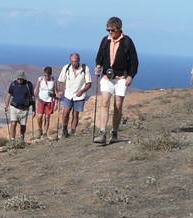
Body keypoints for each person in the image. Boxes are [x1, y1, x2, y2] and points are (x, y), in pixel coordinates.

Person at [94, 16, 139, 145]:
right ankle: (102, 133)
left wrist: (131, 76)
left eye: (112, 30)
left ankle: (114, 132)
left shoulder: (127, 42)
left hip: (121, 79)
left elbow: (134, 61)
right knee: (105, 103)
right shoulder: (105, 41)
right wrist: (98, 65)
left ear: (119, 29)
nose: (110, 32)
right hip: (107, 78)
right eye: (108, 30)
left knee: (118, 106)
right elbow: (99, 57)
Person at [56, 53, 92, 138]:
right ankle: (64, 130)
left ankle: (72, 132)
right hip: (68, 94)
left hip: (79, 96)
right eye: (72, 61)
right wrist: (60, 91)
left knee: (75, 114)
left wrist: (82, 91)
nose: (73, 63)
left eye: (75, 61)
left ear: (79, 60)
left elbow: (89, 83)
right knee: (65, 113)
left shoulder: (84, 68)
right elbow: (61, 81)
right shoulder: (66, 68)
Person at [4, 70, 35, 144]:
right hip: (14, 107)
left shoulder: (28, 85)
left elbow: (33, 97)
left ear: (24, 78)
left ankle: (21, 137)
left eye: (21, 78)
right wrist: (6, 105)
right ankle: (12, 140)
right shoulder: (13, 84)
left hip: (24, 108)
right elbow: (9, 95)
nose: (19, 80)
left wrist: (34, 109)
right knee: (13, 123)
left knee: (23, 125)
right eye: (18, 78)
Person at [34, 66, 57, 141]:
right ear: (44, 74)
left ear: (50, 74)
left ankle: (45, 133)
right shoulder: (40, 79)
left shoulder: (53, 80)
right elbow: (36, 88)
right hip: (41, 99)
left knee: (47, 117)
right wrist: (34, 95)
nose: (47, 76)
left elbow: (55, 91)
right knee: (40, 116)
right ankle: (40, 129)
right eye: (46, 75)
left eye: (48, 75)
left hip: (50, 100)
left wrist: (56, 102)